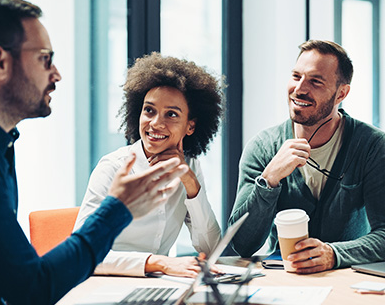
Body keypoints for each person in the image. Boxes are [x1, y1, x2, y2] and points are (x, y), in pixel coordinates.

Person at [0, 0, 189, 305]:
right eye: (45, 59)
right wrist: (118, 208)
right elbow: (34, 290)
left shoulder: (2, 145)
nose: (57, 74)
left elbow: (15, 277)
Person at [229, 39, 385, 274]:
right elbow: (243, 244)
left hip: (345, 282)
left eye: (315, 81)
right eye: (296, 76)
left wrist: (334, 254)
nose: (300, 88)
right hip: (283, 280)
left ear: (341, 93)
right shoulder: (263, 147)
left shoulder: (372, 146)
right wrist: (269, 179)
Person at [74, 52, 223, 278]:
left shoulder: (190, 166)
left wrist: (191, 184)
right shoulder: (112, 168)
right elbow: (83, 254)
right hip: (108, 284)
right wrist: (157, 263)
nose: (155, 123)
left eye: (171, 114)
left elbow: (211, 250)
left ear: (190, 127)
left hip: (157, 286)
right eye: (149, 110)